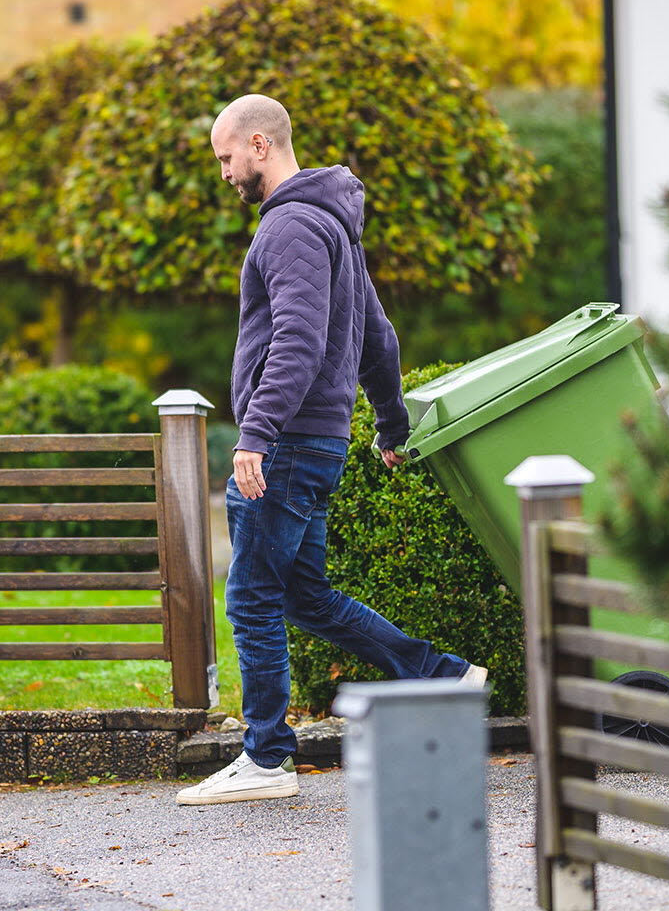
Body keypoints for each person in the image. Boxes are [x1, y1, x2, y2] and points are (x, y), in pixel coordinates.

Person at [176, 94, 485, 806]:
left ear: (260, 144)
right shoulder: (336, 228)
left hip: (284, 447)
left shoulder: (288, 228)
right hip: (317, 443)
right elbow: (379, 337)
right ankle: (443, 675)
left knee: (252, 597)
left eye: (225, 158)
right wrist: (390, 425)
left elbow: (298, 340)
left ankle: (266, 758)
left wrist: (254, 434)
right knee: (303, 596)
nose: (222, 174)